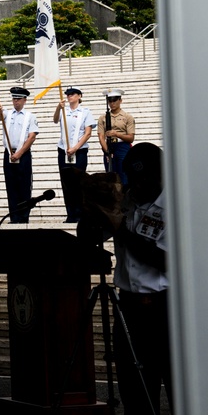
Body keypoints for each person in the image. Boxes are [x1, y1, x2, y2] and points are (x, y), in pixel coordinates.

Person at [87, 144, 170, 415]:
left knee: (176, 384)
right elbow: (92, 238)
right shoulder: (127, 200)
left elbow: (165, 261)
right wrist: (91, 209)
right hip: (129, 308)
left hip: (165, 309)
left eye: (146, 178)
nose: (138, 184)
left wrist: (120, 228)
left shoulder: (178, 205)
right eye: (133, 179)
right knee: (134, 390)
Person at [0, 86, 40, 224]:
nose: (16, 102)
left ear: (25, 100)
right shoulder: (8, 114)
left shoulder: (30, 116)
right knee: (11, 186)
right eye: (14, 99)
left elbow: (31, 137)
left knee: (24, 186)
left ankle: (24, 216)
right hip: (9, 152)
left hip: (23, 154)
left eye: (19, 99)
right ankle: (14, 216)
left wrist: (20, 153)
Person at [53, 86, 97, 222]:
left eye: (72, 94)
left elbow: (87, 132)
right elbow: (55, 120)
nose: (69, 96)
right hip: (64, 150)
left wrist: (76, 148)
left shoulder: (85, 112)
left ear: (79, 96)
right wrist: (58, 108)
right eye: (68, 94)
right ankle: (70, 213)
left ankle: (80, 213)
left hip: (79, 151)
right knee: (66, 183)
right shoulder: (64, 111)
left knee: (79, 183)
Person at [98, 88, 135, 186]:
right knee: (110, 177)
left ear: (120, 101)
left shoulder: (127, 117)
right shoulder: (103, 118)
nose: (112, 103)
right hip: (109, 146)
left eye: (115, 100)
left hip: (122, 146)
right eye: (110, 101)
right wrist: (107, 151)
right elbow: (101, 136)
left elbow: (131, 138)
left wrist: (117, 134)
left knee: (124, 175)